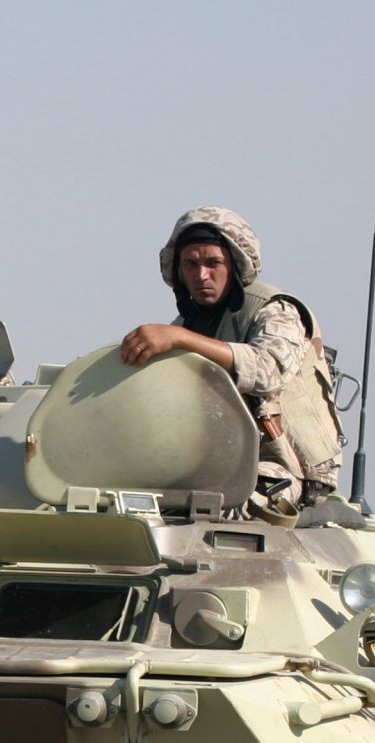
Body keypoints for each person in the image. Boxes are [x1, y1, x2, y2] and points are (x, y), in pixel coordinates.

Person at [119, 206, 344, 516]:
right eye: (190, 264)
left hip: (287, 469)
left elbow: (267, 370)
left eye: (213, 263)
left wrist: (179, 340)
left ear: (235, 263)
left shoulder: (275, 310)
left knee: (220, 513)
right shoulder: (185, 325)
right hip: (211, 468)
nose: (201, 275)